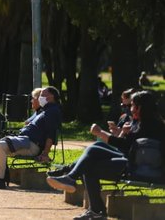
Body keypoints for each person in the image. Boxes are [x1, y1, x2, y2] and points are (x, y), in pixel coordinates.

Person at [47, 91, 165, 220]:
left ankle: (80, 189)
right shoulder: (145, 122)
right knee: (96, 148)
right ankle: (71, 178)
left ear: (140, 107)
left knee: (90, 165)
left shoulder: (151, 125)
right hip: (132, 161)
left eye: (132, 105)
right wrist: (122, 133)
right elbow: (127, 147)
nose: (130, 109)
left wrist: (100, 133)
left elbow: (125, 146)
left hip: (139, 169)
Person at [0, 87, 61, 189]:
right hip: (24, 141)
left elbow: (51, 134)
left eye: (42, 95)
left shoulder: (52, 111)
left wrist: (45, 153)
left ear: (51, 96)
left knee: (0, 145)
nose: (39, 98)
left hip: (32, 145)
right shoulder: (45, 110)